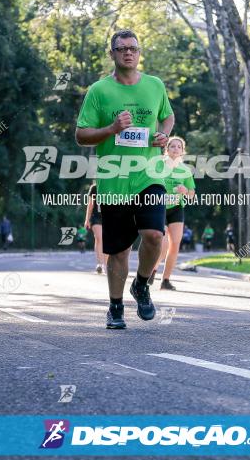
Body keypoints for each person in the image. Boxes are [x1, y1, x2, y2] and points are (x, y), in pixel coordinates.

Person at [75, 29, 174, 330]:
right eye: (122, 49)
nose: (128, 53)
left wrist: (164, 135)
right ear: (113, 54)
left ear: (139, 52)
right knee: (118, 251)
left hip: (148, 175)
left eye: (133, 48)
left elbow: (167, 116)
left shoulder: (155, 85)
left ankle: (142, 284)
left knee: (155, 235)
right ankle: (115, 307)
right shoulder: (99, 91)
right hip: (113, 179)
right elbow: (81, 135)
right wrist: (111, 128)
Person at [152, 136, 195, 290]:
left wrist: (185, 190)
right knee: (162, 244)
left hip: (177, 207)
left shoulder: (185, 170)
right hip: (160, 207)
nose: (176, 149)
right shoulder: (159, 165)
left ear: (182, 151)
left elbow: (191, 194)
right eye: (172, 146)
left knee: (175, 244)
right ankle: (153, 268)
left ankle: (166, 280)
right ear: (167, 149)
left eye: (179, 147)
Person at [84, 182, 106, 274]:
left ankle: (106, 264)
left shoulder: (114, 186)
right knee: (99, 237)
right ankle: (99, 264)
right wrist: (87, 219)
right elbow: (90, 205)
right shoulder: (94, 188)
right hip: (96, 217)